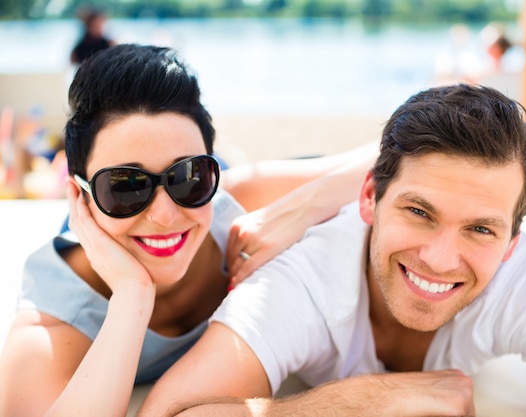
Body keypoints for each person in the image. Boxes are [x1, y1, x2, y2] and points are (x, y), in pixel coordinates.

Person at [138, 84, 526, 417]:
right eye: (419, 212)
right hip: (254, 215)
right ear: (369, 198)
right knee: (245, 187)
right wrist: (367, 399)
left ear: (511, 244)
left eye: (479, 229)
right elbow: (169, 413)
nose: (439, 258)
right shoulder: (301, 280)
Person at [0, 43, 382, 417]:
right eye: (125, 185)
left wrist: (304, 207)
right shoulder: (50, 320)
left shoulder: (231, 205)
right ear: (77, 196)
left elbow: (398, 151)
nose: (166, 215)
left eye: (189, 176)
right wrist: (132, 297)